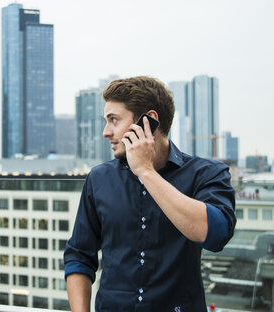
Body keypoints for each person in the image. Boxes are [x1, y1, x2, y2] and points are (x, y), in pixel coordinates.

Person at [63, 76, 236, 311]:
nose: (106, 132)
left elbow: (216, 235)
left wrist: (145, 170)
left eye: (114, 120)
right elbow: (79, 256)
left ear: (149, 121)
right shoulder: (99, 178)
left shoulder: (207, 173)